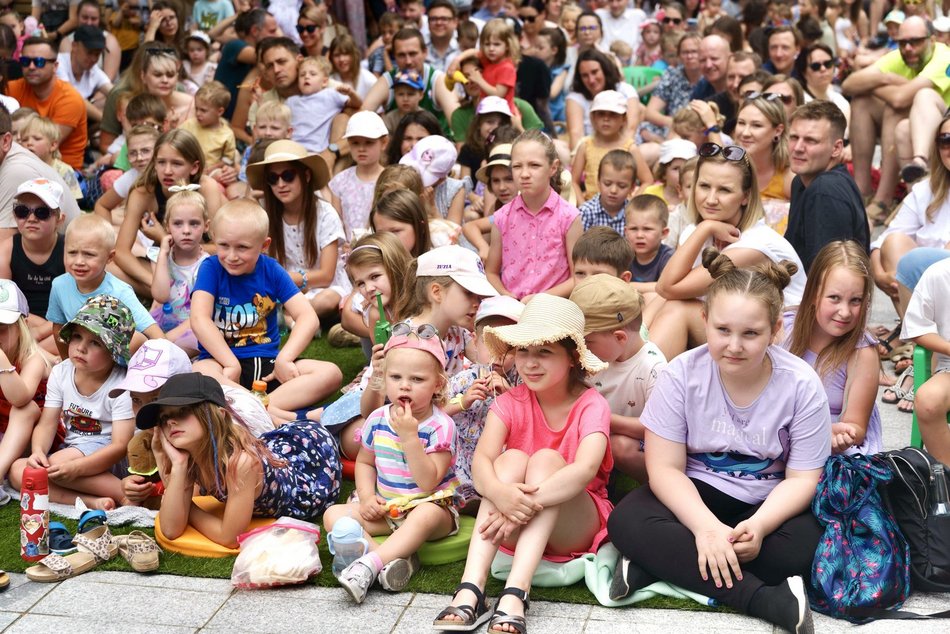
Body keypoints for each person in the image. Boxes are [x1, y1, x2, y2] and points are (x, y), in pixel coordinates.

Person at [607, 249, 828, 634]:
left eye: (751, 333)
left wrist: (759, 526)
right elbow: (664, 469)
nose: (734, 346)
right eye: (723, 330)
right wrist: (705, 528)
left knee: (802, 548)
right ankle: (765, 600)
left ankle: (658, 563)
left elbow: (803, 479)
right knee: (626, 521)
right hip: (695, 493)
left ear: (776, 329)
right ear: (705, 319)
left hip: (766, 502)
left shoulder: (802, 385)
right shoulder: (681, 375)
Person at [432, 294, 613, 634]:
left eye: (544, 352)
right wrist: (501, 495)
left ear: (572, 358)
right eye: (524, 351)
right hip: (512, 521)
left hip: (573, 522)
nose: (530, 363)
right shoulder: (511, 401)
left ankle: (516, 592)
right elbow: (482, 461)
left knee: (546, 460)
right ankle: (471, 587)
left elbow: (585, 470)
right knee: (510, 459)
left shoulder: (592, 404)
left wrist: (519, 504)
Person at [323, 329, 460, 602]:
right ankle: (392, 562)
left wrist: (410, 437)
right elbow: (365, 462)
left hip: (431, 507)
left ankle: (368, 564)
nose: (405, 386)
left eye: (417, 379)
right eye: (396, 377)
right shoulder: (377, 419)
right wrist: (366, 497)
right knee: (333, 515)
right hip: (388, 509)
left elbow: (428, 482)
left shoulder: (440, 426)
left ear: (438, 384)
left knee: (425, 515)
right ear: (384, 380)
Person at [136, 372, 340, 547]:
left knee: (279, 442)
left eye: (183, 412)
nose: (170, 422)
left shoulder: (242, 463)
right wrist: (178, 465)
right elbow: (171, 530)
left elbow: (230, 538)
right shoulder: (188, 458)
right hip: (275, 453)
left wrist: (187, 506)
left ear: (217, 416)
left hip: (311, 459)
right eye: (164, 418)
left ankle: (298, 416)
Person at [649, 143, 806, 361]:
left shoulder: (756, 244)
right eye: (704, 186)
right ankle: (633, 364)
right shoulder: (696, 232)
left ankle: (642, 377)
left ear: (745, 196)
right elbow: (664, 290)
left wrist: (705, 227)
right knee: (650, 299)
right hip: (735, 325)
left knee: (678, 309)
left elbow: (667, 287)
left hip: (779, 338)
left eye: (724, 190)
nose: (711, 199)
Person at [190, 199, 343, 420]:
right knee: (200, 373)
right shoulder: (211, 268)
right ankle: (287, 417)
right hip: (222, 366)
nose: (231, 255)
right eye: (223, 245)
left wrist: (285, 359)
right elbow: (199, 319)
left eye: (242, 247)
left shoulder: (271, 270)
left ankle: (255, 412)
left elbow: (308, 317)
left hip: (269, 367)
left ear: (264, 245)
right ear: (214, 238)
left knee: (330, 373)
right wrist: (230, 362)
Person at [111, 338, 275, 506]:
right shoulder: (153, 432)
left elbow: (189, 503)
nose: (145, 409)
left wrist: (166, 488)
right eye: (136, 400)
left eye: (155, 399)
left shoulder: (200, 435)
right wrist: (132, 485)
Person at [11, 295, 137, 510]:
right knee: (18, 471)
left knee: (56, 465)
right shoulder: (61, 372)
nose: (81, 348)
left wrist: (78, 468)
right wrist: (38, 451)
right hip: (72, 450)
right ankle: (93, 501)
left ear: (114, 352)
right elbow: (47, 423)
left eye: (95, 342)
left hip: (110, 457)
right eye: (77, 337)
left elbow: (120, 446)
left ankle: (122, 492)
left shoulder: (122, 384)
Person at [842, 16, 950, 224]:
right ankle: (862, 191)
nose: (908, 48)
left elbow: (900, 99)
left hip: (942, 132)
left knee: (911, 101)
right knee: (862, 100)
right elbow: (849, 84)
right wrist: (886, 78)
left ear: (932, 40)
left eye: (916, 41)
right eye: (902, 42)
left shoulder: (944, 57)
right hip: (910, 128)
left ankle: (883, 199)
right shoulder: (899, 56)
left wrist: (877, 84)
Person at [782, 241, 882, 452]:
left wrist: (840, 435)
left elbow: (856, 427)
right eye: (834, 298)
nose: (845, 312)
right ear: (813, 294)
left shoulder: (862, 352)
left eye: (855, 300)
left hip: (832, 448)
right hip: (781, 436)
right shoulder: (783, 329)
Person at [571, 274, 666, 482]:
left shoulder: (653, 367)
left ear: (620, 337)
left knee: (620, 446)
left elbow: (656, 428)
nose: (580, 349)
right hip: (592, 434)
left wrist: (602, 418)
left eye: (587, 342)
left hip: (634, 441)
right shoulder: (593, 356)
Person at [247, 140, 350, 319]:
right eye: (272, 178)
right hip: (284, 288)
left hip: (325, 288)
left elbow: (326, 275)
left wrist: (285, 279)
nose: (280, 184)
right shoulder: (265, 214)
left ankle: (289, 317)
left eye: (288, 176)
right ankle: (293, 317)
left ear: (306, 176)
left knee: (326, 301)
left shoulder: (325, 213)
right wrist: (250, 201)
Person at [117, 129, 224, 294]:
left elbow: (221, 247)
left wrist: (164, 238)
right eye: (161, 162)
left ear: (194, 167)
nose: (167, 171)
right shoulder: (143, 193)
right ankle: (174, 294)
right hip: (162, 267)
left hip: (202, 265)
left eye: (176, 164)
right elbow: (121, 252)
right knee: (108, 265)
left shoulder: (206, 187)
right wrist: (156, 283)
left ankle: (182, 294)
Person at [47, 214, 163, 360]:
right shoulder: (59, 285)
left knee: (137, 338)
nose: (79, 261)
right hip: (82, 356)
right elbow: (58, 328)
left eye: (89, 254)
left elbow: (155, 334)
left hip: (116, 363)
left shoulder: (120, 292)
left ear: (109, 257)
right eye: (72, 252)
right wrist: (67, 363)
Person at [446, 295, 524, 507]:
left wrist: (509, 395)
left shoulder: (521, 382)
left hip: (500, 458)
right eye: (490, 346)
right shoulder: (464, 379)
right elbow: (435, 413)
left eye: (507, 349)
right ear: (474, 341)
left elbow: (529, 419)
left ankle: (489, 495)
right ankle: (465, 499)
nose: (497, 357)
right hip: (463, 456)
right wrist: (463, 402)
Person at [486, 130, 582, 300]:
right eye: (517, 166)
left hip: (552, 307)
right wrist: (506, 296)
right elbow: (491, 272)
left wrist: (540, 299)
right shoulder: (502, 217)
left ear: (553, 167)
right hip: (511, 306)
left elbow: (578, 276)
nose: (524, 174)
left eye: (534, 165)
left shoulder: (569, 217)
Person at [871, 113, 950, 311]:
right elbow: (882, 243)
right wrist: (879, 276)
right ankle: (913, 326)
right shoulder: (925, 190)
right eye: (946, 140)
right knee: (894, 242)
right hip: (928, 294)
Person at [786, 100, 869, 274]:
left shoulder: (825, 190)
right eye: (794, 137)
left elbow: (825, 274)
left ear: (836, 148)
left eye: (811, 140)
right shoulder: (801, 181)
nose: (798, 148)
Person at [0, 178, 65, 354]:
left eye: (42, 213)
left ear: (60, 219)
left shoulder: (69, 251)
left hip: (61, 327)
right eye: (22, 211)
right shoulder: (6, 250)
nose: (31, 219)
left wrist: (44, 330)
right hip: (20, 323)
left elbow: (76, 303)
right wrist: (40, 326)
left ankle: (32, 355)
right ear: (14, 215)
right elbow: (3, 303)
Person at [6, 37, 87, 170]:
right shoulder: (12, 88)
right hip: (20, 164)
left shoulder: (70, 99)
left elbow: (42, 146)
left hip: (62, 172)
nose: (31, 67)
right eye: (25, 61)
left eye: (39, 62)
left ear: (55, 66)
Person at [0, 279, 52, 486]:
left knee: (25, 409)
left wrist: (2, 362)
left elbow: (20, 398)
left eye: (1, 327)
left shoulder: (33, 359)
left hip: (32, 440)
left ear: (22, 326)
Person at [0, 106, 80, 238]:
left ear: (6, 141)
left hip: (65, 247)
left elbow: (4, 243)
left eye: (36, 139)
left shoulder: (17, 170)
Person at [150, 189, 210, 356]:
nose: (186, 230)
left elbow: (200, 314)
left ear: (206, 226)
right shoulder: (161, 257)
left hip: (192, 327)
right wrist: (163, 254)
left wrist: (167, 338)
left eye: (194, 223)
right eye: (178, 223)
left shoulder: (206, 265)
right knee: (136, 335)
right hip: (164, 321)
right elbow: (160, 296)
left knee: (191, 342)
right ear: (167, 226)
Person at [902, 256, 950, 464]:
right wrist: (948, 348)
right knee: (928, 400)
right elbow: (917, 327)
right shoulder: (939, 274)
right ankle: (946, 473)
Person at [362, 28, 460, 125]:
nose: (408, 61)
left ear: (425, 53)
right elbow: (360, 117)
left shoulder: (438, 80)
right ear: (394, 57)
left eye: (413, 54)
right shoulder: (387, 81)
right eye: (401, 55)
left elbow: (458, 122)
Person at [571, 91, 650, 203]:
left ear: (623, 119)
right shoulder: (585, 146)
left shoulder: (630, 148)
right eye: (601, 114)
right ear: (593, 117)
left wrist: (631, 205)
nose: (606, 119)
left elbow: (647, 181)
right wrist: (583, 206)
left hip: (621, 208)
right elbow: (573, 181)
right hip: (591, 207)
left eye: (613, 114)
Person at [566, 47, 641, 150]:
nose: (591, 80)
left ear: (605, 70)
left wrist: (617, 155)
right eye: (585, 76)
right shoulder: (575, 98)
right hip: (589, 150)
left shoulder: (626, 90)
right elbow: (576, 134)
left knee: (652, 149)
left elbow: (630, 129)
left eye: (594, 72)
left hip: (625, 149)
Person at [329, 111, 388, 242]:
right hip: (348, 249)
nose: (361, 148)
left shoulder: (390, 180)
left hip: (382, 247)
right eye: (355, 143)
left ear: (384, 143)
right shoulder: (340, 181)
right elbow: (336, 224)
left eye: (369, 142)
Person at [286, 56, 361, 157]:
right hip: (292, 150)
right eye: (302, 75)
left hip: (317, 152)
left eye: (313, 74)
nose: (306, 77)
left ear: (325, 82)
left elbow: (357, 104)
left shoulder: (331, 94)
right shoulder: (291, 101)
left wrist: (351, 93)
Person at [179, 81, 241, 197]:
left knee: (222, 178)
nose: (198, 113)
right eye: (196, 108)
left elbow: (228, 159)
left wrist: (211, 168)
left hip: (212, 171)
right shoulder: (188, 125)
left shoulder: (226, 134)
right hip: (187, 168)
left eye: (203, 110)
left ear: (220, 111)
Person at [54, 25, 112, 123]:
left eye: (97, 54)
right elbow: (74, 99)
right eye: (89, 52)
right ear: (74, 46)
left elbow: (114, 92)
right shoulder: (58, 63)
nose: (94, 59)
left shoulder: (93, 69)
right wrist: (107, 122)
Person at [19, 116, 82, 203]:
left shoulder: (64, 170)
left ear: (53, 145)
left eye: (37, 139)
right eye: (24, 140)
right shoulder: (20, 169)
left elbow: (74, 200)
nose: (29, 143)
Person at [579, 149, 641, 234]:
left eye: (622, 186)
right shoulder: (586, 212)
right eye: (607, 184)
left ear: (632, 188)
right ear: (598, 182)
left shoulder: (634, 214)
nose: (613, 190)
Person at [626, 194, 674, 292]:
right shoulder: (623, 256)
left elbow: (667, 288)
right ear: (626, 232)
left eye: (647, 229)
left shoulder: (669, 257)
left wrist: (626, 285)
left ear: (664, 233)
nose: (639, 235)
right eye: (633, 229)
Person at [691, 34, 731, 100]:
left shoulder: (740, 86)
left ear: (729, 58)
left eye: (714, 59)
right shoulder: (702, 87)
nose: (708, 65)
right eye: (703, 60)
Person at [425, 0, 460, 72]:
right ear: (428, 22)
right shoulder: (419, 45)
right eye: (433, 19)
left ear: (455, 22)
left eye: (444, 19)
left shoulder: (464, 45)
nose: (438, 23)